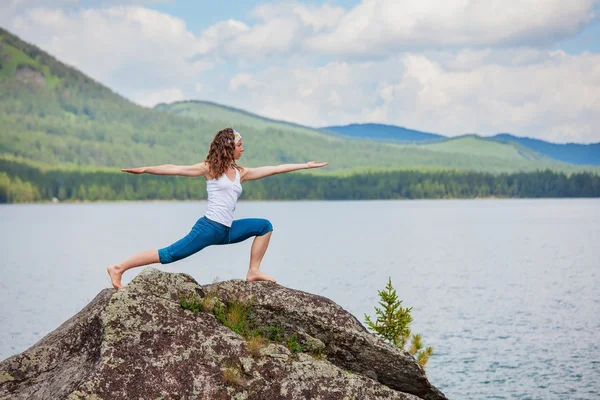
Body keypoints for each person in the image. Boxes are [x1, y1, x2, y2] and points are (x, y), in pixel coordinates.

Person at [107, 127, 328, 289]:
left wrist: (304, 166)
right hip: (208, 228)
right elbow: (175, 169)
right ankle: (119, 268)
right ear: (229, 146)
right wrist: (146, 169)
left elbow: (275, 169)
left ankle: (253, 270)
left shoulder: (241, 172)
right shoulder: (209, 168)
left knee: (264, 226)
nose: (243, 149)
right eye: (240, 145)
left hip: (226, 230)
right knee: (168, 255)